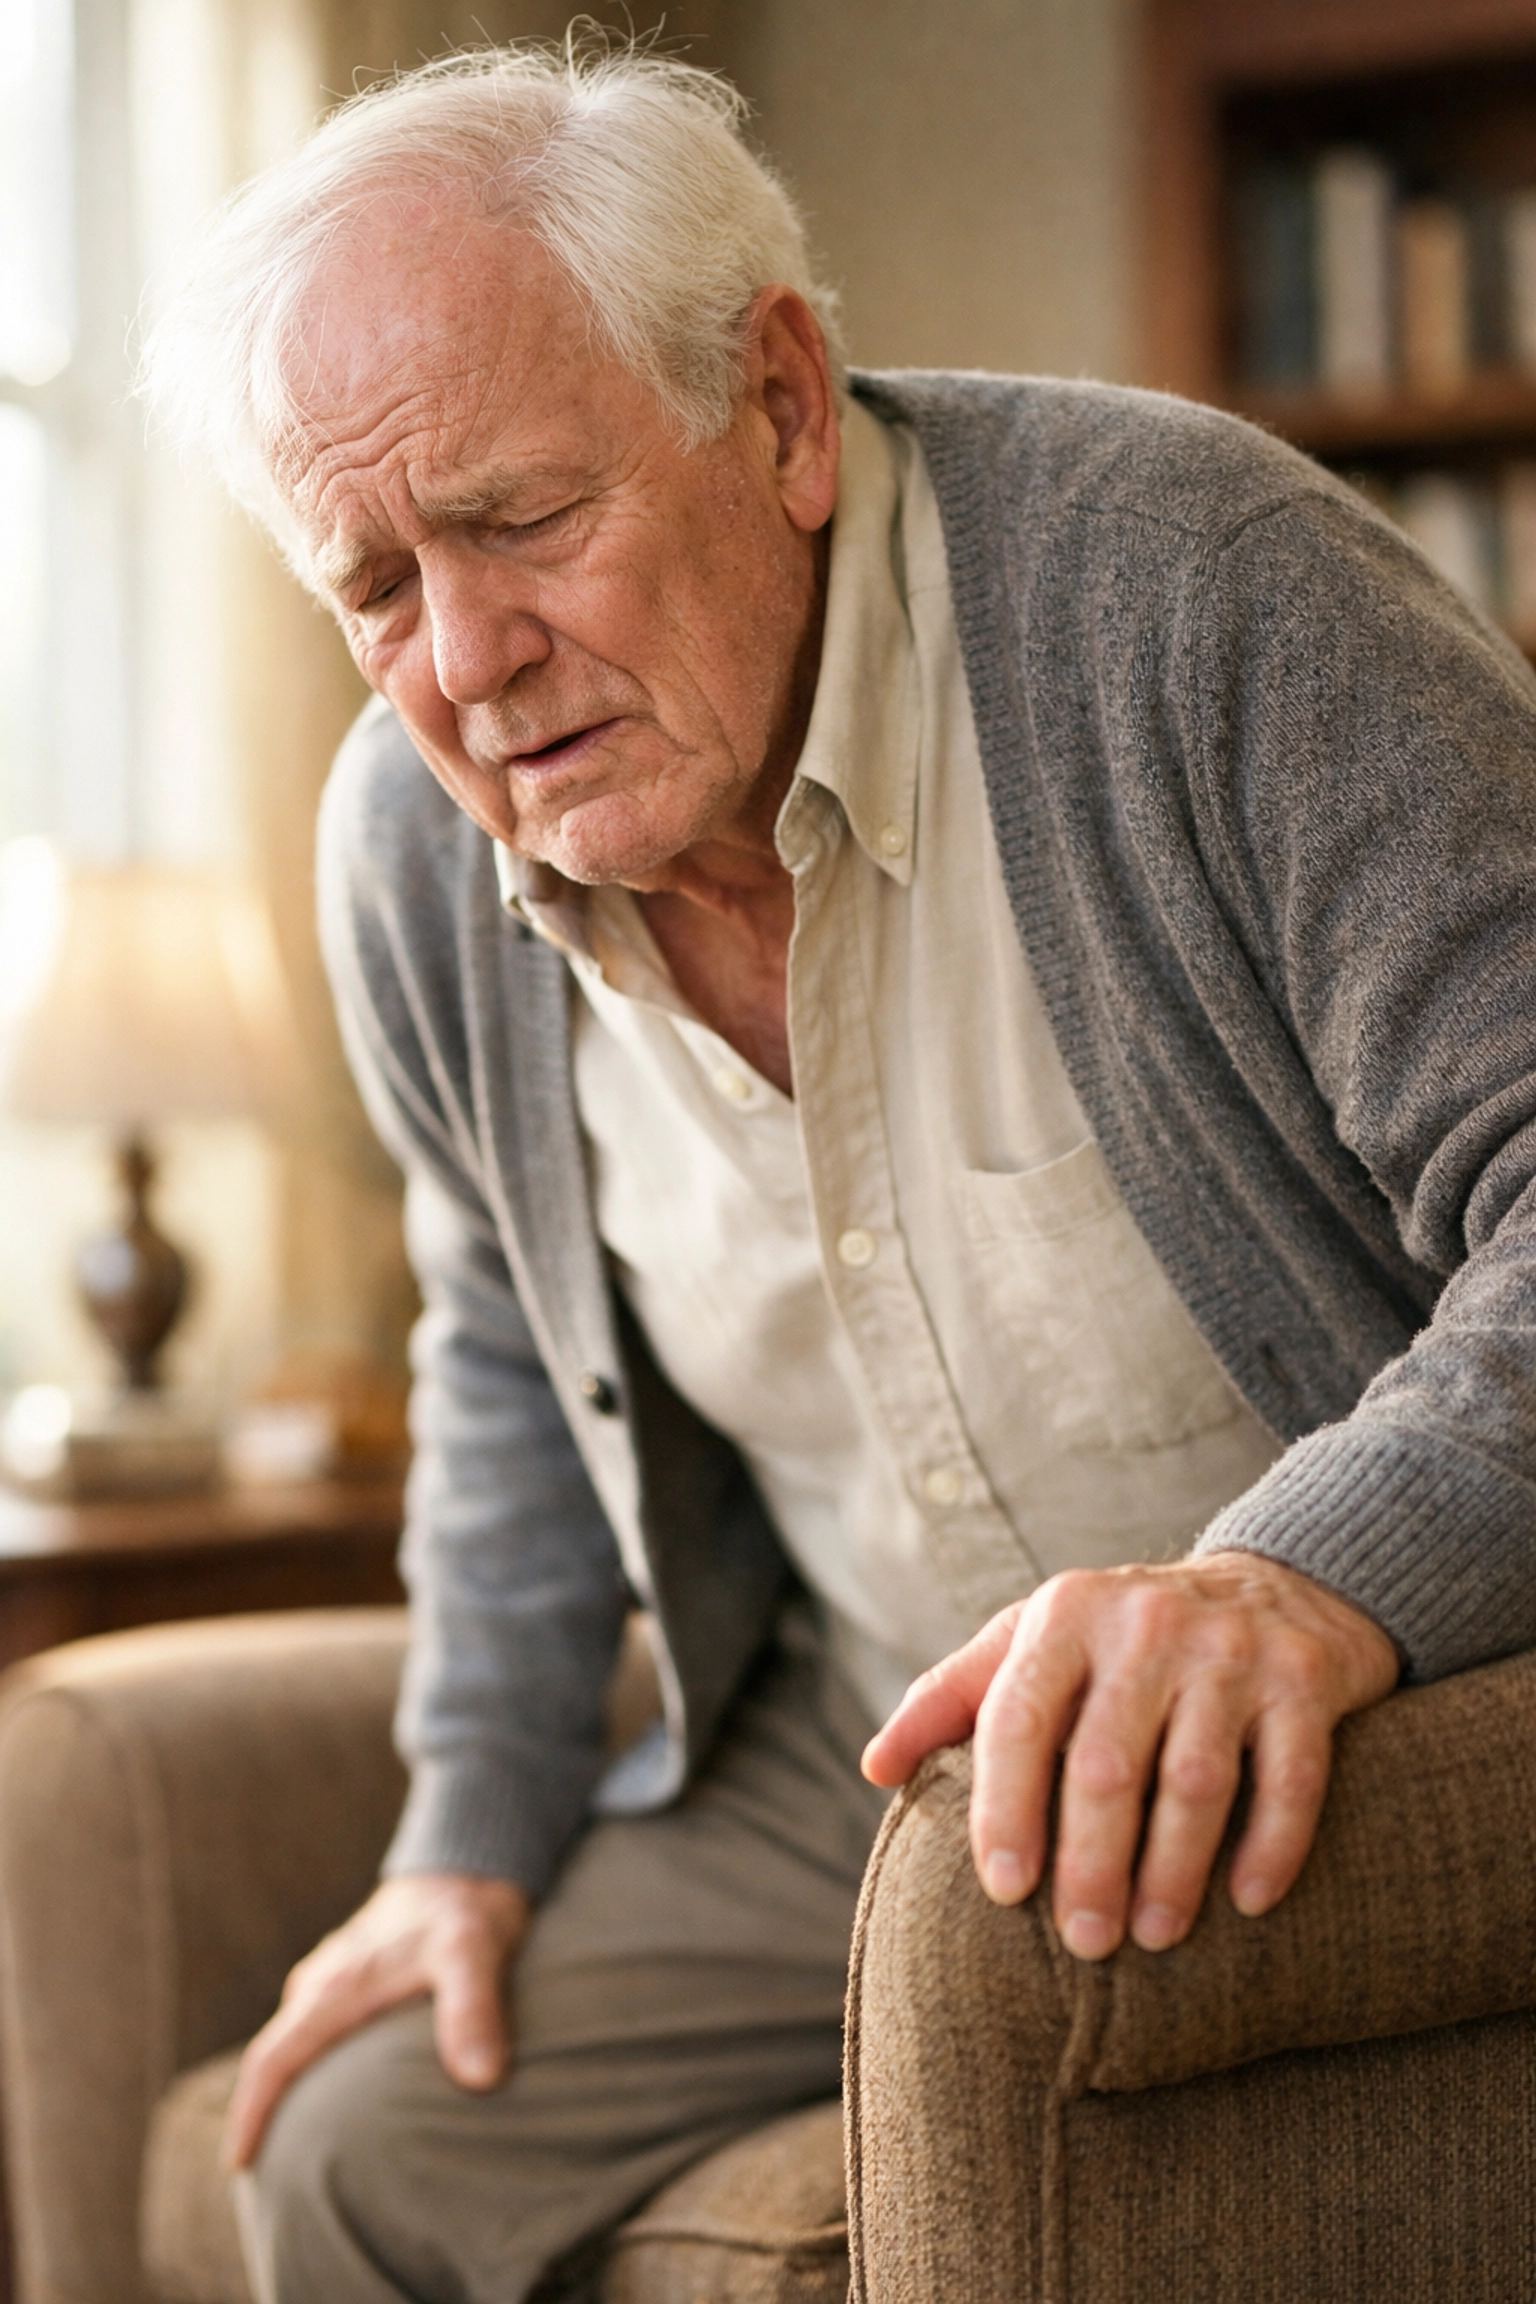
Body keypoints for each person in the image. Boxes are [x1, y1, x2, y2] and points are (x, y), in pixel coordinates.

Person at [144, 37, 1536, 2304]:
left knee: (1014, 1924)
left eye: (518, 520)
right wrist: (461, 1842)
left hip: (1391, 1679)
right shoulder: (410, 849)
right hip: (872, 1741)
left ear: (779, 407)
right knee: (356, 2149)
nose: (469, 663)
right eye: (379, 586)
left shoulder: (1196, 599)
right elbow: (506, 1345)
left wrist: (1298, 1581)